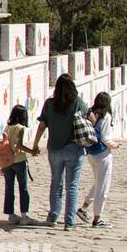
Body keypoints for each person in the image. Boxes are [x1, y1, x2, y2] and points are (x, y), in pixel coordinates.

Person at [30, 74, 87, 229]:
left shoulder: (49, 104)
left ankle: (53, 216)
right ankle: (69, 222)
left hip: (54, 149)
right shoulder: (77, 103)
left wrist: (35, 145)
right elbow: (92, 119)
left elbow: (42, 126)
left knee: (56, 183)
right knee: (72, 186)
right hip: (74, 149)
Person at [79, 92, 120, 228]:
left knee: (98, 182)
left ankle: (84, 208)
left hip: (91, 153)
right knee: (103, 187)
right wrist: (115, 145)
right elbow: (104, 137)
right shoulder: (106, 116)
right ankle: (97, 219)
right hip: (102, 154)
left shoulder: (91, 114)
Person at [1, 104, 35, 224]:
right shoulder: (20, 128)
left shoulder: (7, 128)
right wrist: (32, 151)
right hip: (19, 161)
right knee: (23, 188)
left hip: (6, 162)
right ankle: (24, 216)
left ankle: (11, 216)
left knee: (9, 189)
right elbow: (19, 145)